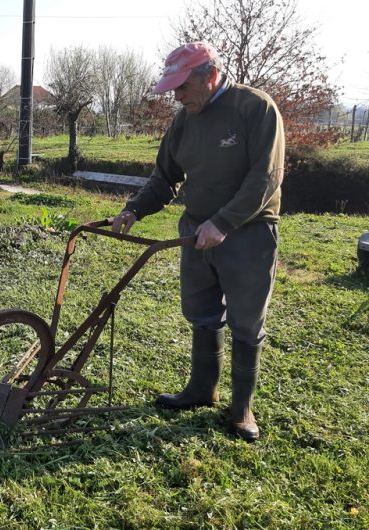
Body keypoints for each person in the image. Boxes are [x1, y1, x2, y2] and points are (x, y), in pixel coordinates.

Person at [110, 41, 284, 441]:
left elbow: (267, 176)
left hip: (248, 232)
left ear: (211, 76)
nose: (177, 96)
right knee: (201, 313)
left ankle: (241, 410)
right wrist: (134, 210)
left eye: (183, 86)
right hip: (195, 231)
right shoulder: (185, 119)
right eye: (173, 89)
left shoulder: (254, 108)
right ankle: (201, 389)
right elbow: (164, 177)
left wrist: (222, 223)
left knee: (245, 320)